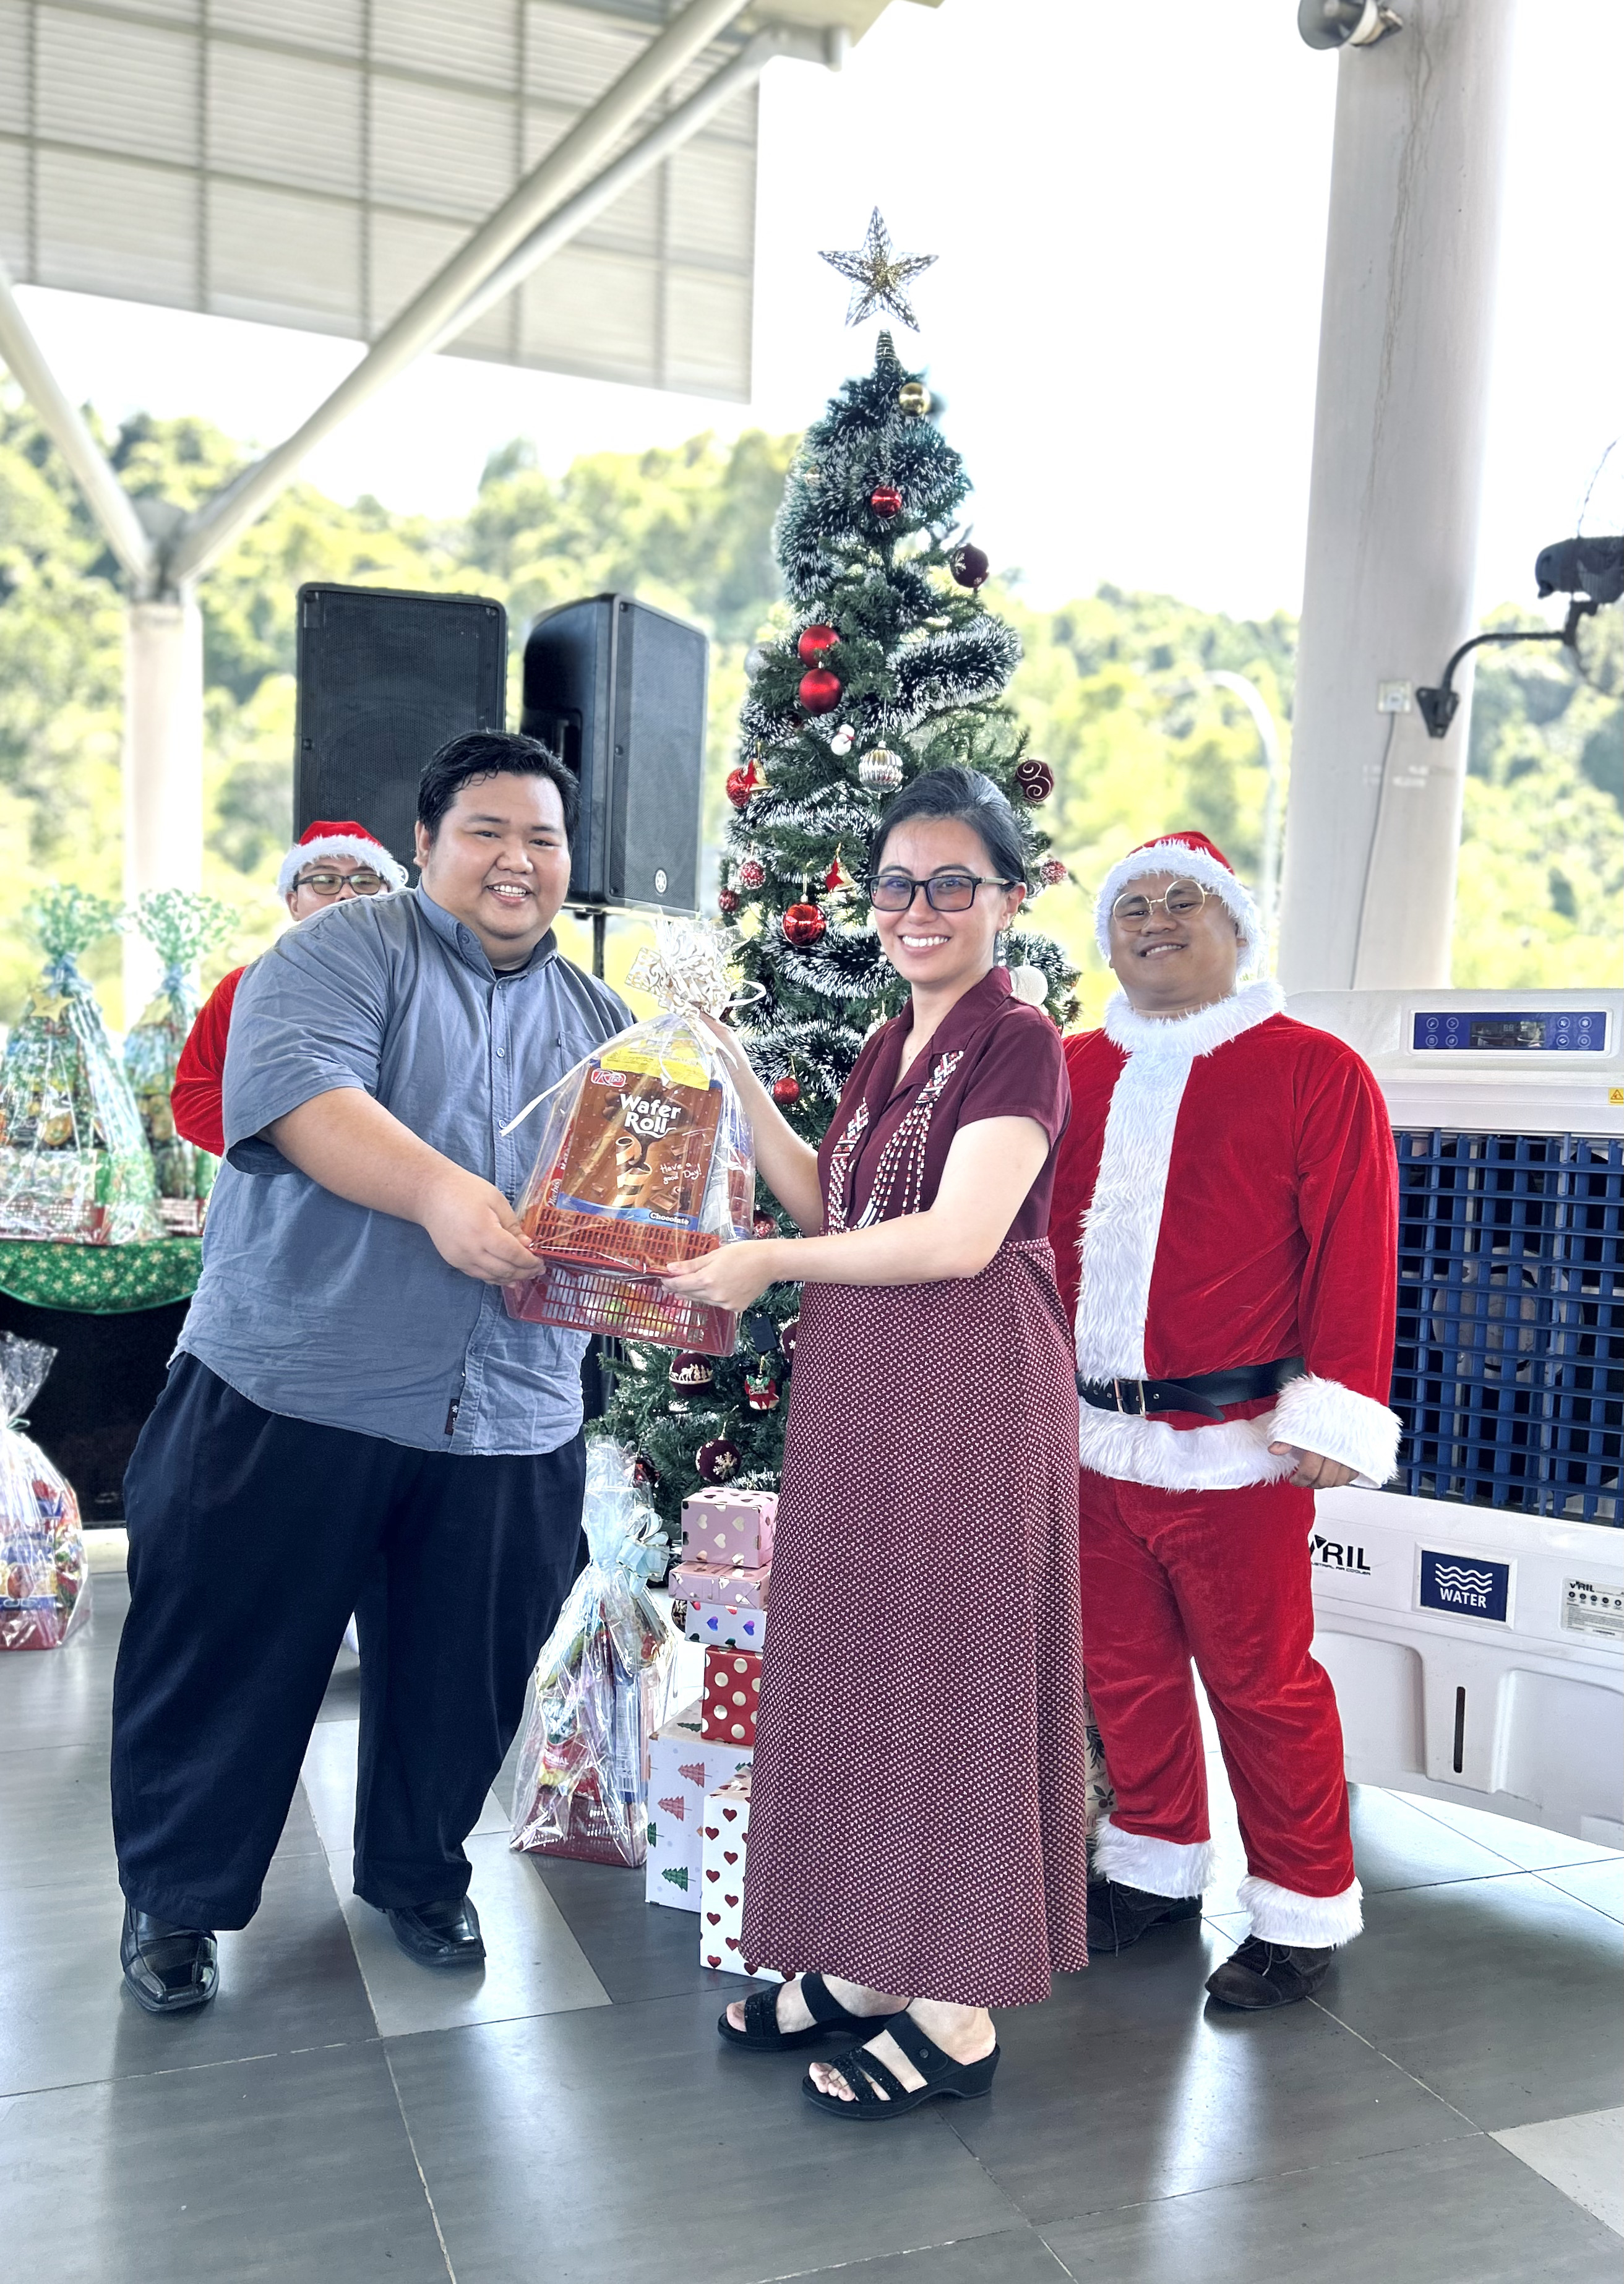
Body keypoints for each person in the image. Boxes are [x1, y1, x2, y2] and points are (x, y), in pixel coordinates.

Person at [111, 732, 630, 2015]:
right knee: (227, 1649)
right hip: (297, 1385)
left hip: (512, 1407)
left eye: (543, 838)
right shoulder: (337, 951)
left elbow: (628, 1197)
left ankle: (418, 1869)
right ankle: (178, 1892)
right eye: (486, 831)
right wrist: (444, 1193)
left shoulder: (604, 1022)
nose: (516, 860)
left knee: (466, 1673)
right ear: (426, 842)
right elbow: (304, 1100)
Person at [663, 766, 1090, 2121]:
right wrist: (734, 1067)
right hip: (867, 1387)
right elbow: (826, 1196)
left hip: (970, 1387)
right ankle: (863, 1962)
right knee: (858, 1665)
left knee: (949, 1678)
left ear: (1007, 898)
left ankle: (954, 2011)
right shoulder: (889, 1040)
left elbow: (958, 1238)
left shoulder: (1019, 1039)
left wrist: (763, 1266)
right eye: (897, 882)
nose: (918, 907)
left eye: (952, 883)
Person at [1047, 831, 1399, 2011]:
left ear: (1238, 925)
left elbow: (1357, 1246)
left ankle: (1301, 1906)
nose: (1155, 919)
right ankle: (1153, 1867)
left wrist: (1336, 1410)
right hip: (1089, 1440)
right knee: (1123, 1670)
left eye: (1183, 899)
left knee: (1263, 1684)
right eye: (1132, 903)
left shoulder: (1314, 1069)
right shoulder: (1068, 1067)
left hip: (1242, 1450)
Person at [170, 819, 408, 1158]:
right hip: (281, 1187)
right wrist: (309, 1136)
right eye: (325, 881)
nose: (347, 894)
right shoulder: (242, 987)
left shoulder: (420, 987)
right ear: (293, 902)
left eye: (365, 881)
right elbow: (193, 1100)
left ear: (391, 898)